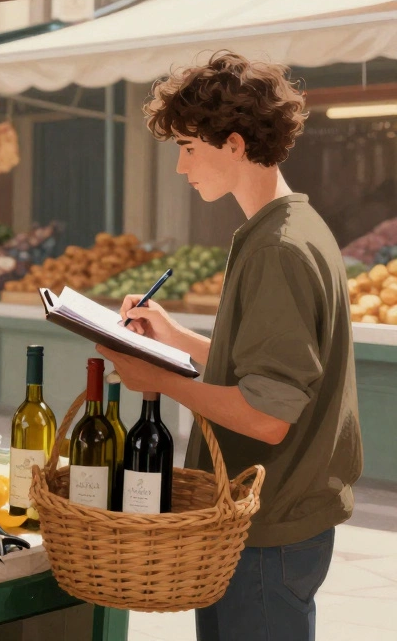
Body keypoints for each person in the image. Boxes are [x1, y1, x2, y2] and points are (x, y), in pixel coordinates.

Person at [97, 52, 362, 641]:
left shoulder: (278, 249)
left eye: (189, 147)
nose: (179, 167)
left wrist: (161, 382)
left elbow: (268, 416)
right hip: (272, 523)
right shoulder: (292, 228)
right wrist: (177, 339)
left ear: (235, 144)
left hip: (269, 529)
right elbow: (268, 370)